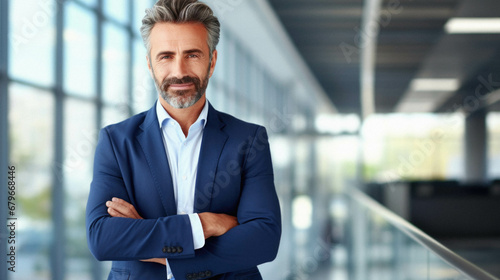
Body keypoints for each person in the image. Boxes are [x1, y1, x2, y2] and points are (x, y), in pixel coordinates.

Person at [85, 0, 281, 279]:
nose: (179, 71)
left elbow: (264, 238)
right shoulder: (116, 142)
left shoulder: (248, 140)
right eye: (165, 56)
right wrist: (204, 224)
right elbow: (103, 238)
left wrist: (158, 250)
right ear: (150, 64)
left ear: (212, 62)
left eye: (192, 55)